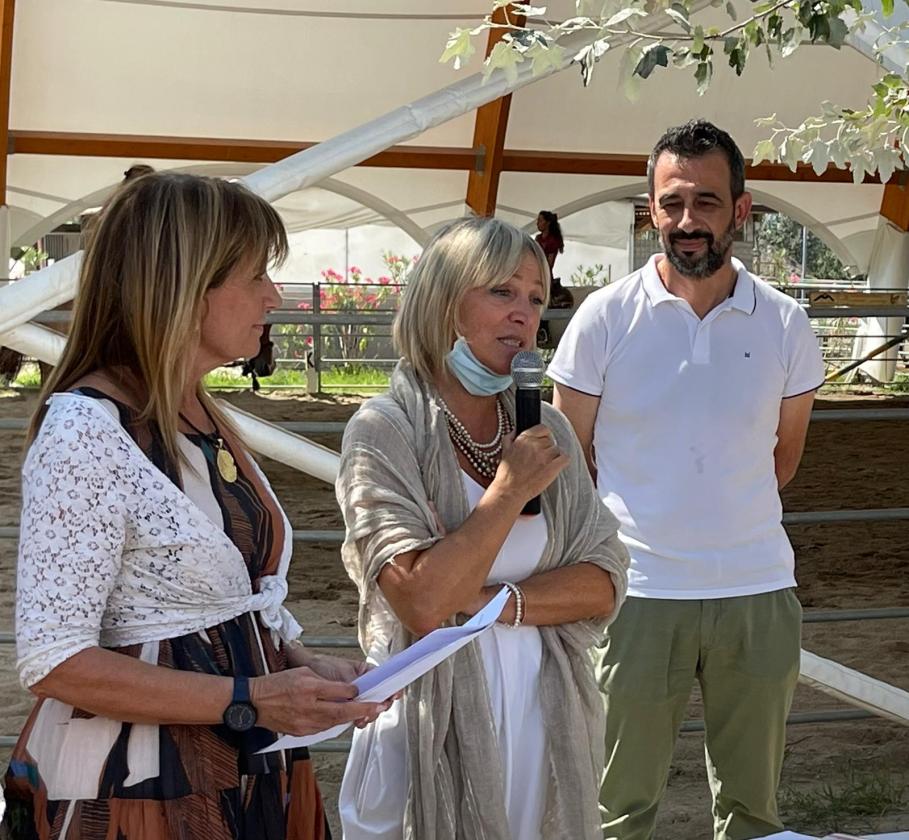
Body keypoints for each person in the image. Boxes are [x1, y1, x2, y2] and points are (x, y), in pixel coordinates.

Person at [3, 172, 390, 840]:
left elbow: (210, 611)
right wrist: (249, 697)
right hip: (138, 792)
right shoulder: (85, 431)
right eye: (255, 274)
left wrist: (294, 665)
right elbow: (54, 658)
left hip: (239, 763)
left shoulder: (199, 413)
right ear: (182, 285)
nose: (273, 295)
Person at [548, 120, 825, 840]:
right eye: (670, 202)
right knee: (616, 814)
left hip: (757, 592)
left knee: (753, 816)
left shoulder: (785, 324)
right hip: (634, 595)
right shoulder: (602, 319)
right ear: (650, 209)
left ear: (740, 209)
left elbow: (782, 458)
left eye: (706, 201)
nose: (686, 220)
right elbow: (569, 455)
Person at [335, 216, 629, 840]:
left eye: (536, 299)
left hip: (541, 715)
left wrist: (487, 601)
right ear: (443, 301)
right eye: (502, 291)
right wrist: (509, 491)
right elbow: (423, 602)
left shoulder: (545, 426)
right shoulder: (385, 430)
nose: (524, 314)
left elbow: (604, 581)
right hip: (426, 719)